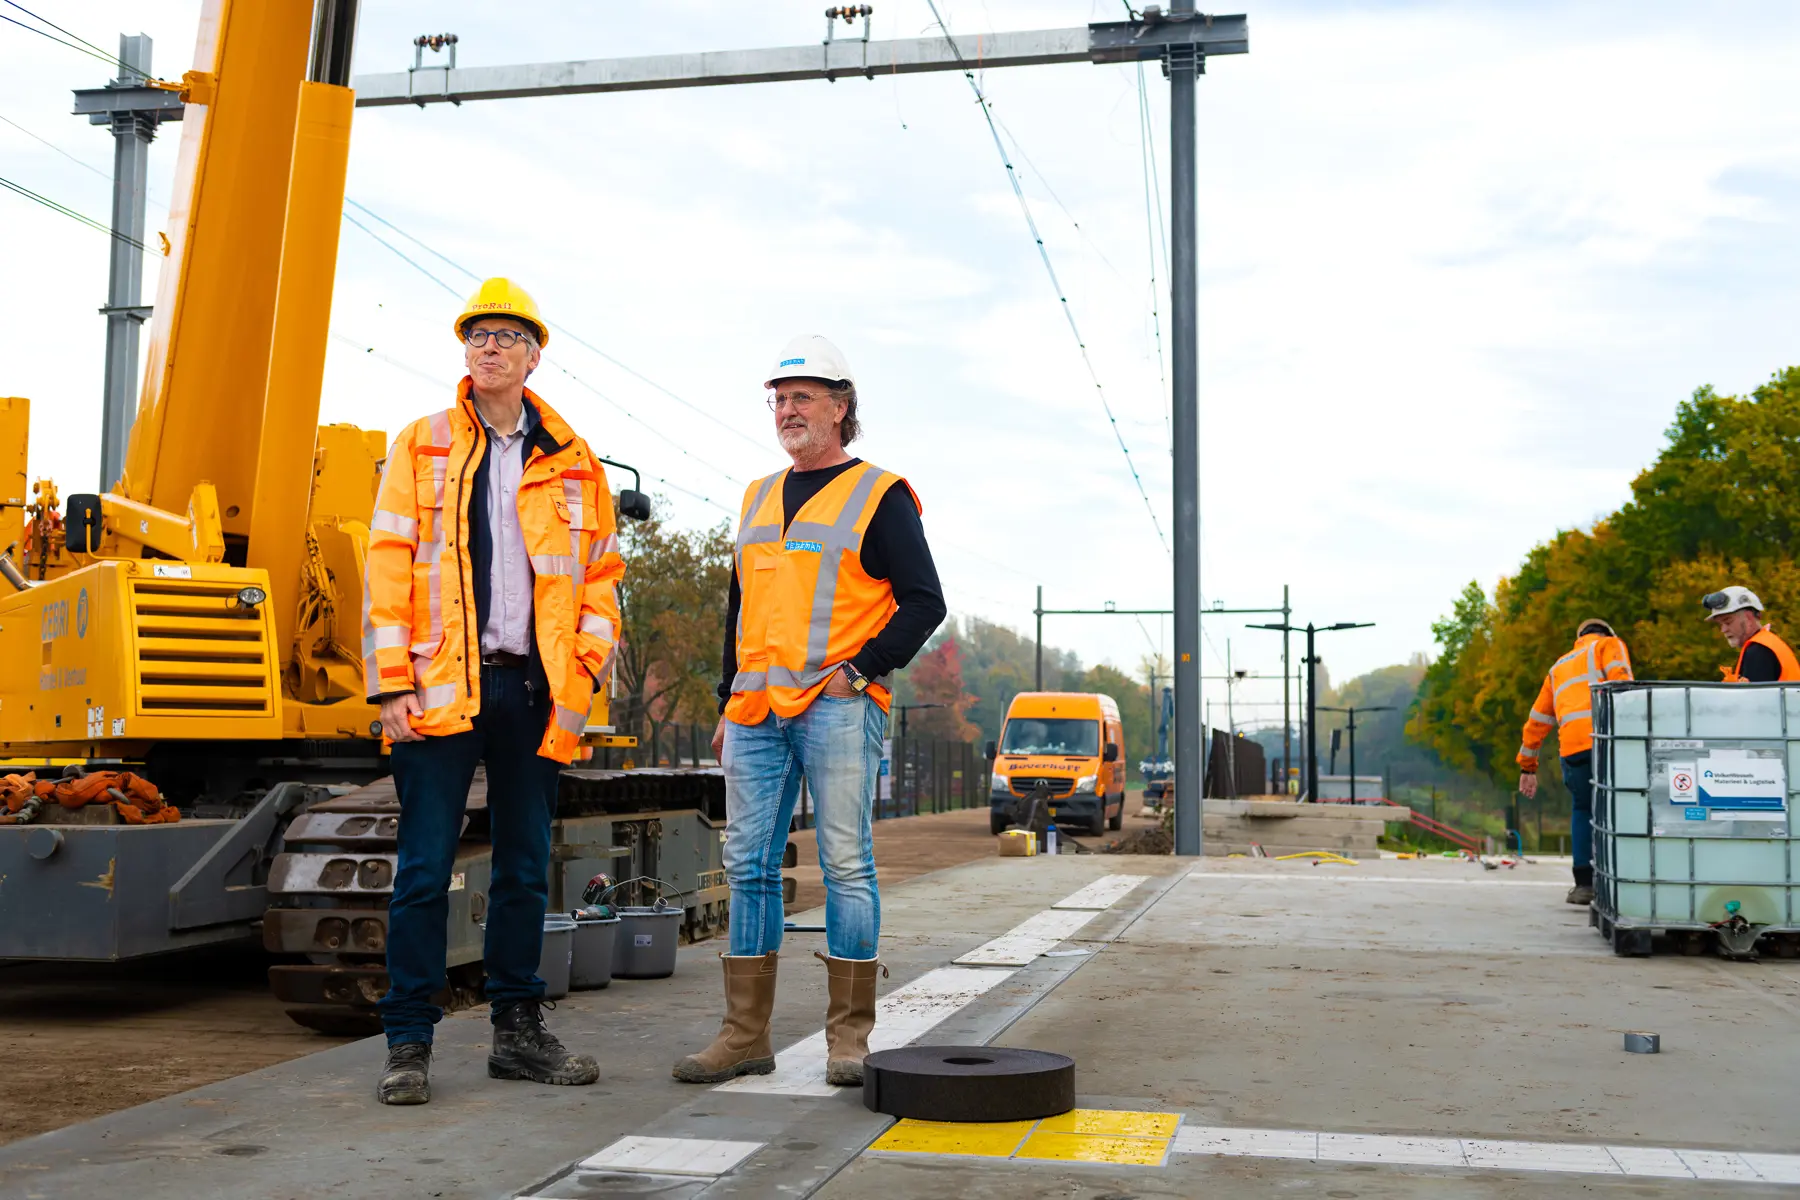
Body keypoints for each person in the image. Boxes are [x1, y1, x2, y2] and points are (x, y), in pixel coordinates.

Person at [362, 278, 625, 1105]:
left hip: (533, 692)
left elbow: (600, 579)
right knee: (423, 870)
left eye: (507, 336)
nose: (489, 347)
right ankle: (408, 1041)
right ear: (465, 351)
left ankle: (517, 1029)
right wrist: (389, 686)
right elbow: (388, 564)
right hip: (441, 691)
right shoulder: (425, 443)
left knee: (521, 866)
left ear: (534, 355)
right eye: (478, 334)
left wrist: (579, 675)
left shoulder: (575, 461)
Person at [672, 335, 945, 1088]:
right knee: (747, 866)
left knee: (847, 865)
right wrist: (730, 697)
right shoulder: (758, 495)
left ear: (840, 406)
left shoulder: (879, 495)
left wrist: (859, 672)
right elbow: (740, 608)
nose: (787, 410)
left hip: (836, 708)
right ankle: (743, 1036)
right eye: (779, 399)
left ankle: (848, 1041)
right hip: (756, 712)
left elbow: (926, 602)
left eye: (802, 397)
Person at [1517, 618, 1633, 906]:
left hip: (1572, 750)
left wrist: (1527, 767)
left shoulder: (1558, 668)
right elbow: (1624, 688)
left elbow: (1537, 721)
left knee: (1583, 808)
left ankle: (1584, 885)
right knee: (1620, 806)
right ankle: (1622, 881)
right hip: (1606, 742)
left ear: (1578, 639)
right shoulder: (1609, 645)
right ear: (1607, 633)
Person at [1704, 586, 1800, 682]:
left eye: (1728, 622)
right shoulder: (1767, 644)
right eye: (1720, 624)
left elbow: (1755, 696)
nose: (1723, 630)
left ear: (1748, 618)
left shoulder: (1759, 650)